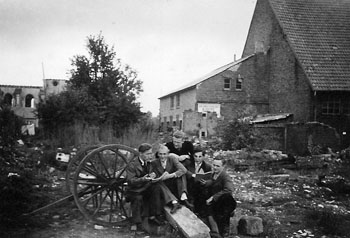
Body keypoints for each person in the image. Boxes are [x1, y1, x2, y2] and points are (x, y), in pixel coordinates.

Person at [125, 143, 165, 230]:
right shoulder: (132, 164)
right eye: (148, 154)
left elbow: (154, 172)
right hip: (134, 190)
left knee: (156, 188)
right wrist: (143, 179)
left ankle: (154, 215)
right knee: (138, 198)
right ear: (141, 154)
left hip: (145, 187)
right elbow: (130, 181)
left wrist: (153, 175)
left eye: (151, 153)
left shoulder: (149, 163)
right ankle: (136, 222)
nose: (150, 156)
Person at [199, 158, 237, 238]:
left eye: (217, 166)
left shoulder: (225, 176)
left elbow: (229, 189)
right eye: (214, 165)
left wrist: (213, 197)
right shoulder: (213, 174)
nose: (215, 167)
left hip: (224, 202)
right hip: (215, 202)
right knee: (207, 208)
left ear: (223, 167)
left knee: (220, 210)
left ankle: (224, 231)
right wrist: (206, 183)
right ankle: (215, 232)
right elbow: (213, 182)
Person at [151, 144, 193, 209]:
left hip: (173, 184)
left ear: (168, 154)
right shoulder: (154, 163)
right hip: (164, 186)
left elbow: (183, 170)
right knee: (158, 182)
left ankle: (184, 198)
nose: (162, 156)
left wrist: (170, 175)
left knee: (181, 175)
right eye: (160, 154)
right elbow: (153, 176)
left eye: (164, 154)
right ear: (158, 154)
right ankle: (174, 202)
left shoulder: (172, 159)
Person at [186, 147, 212, 216]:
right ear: (193, 156)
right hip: (190, 185)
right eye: (196, 156)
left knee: (202, 190)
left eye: (200, 156)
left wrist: (206, 182)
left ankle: (200, 210)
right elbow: (185, 172)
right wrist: (192, 175)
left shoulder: (207, 166)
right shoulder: (189, 164)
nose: (197, 158)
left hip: (200, 186)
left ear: (203, 157)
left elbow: (209, 177)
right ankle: (192, 206)